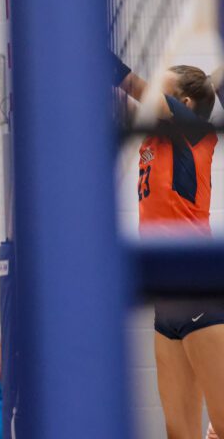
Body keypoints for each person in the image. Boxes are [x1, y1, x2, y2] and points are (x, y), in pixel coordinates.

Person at [114, 57, 224, 439]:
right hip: (167, 300)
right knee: (180, 433)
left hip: (198, 291)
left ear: (185, 105)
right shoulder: (154, 138)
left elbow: (137, 89)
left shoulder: (193, 131)